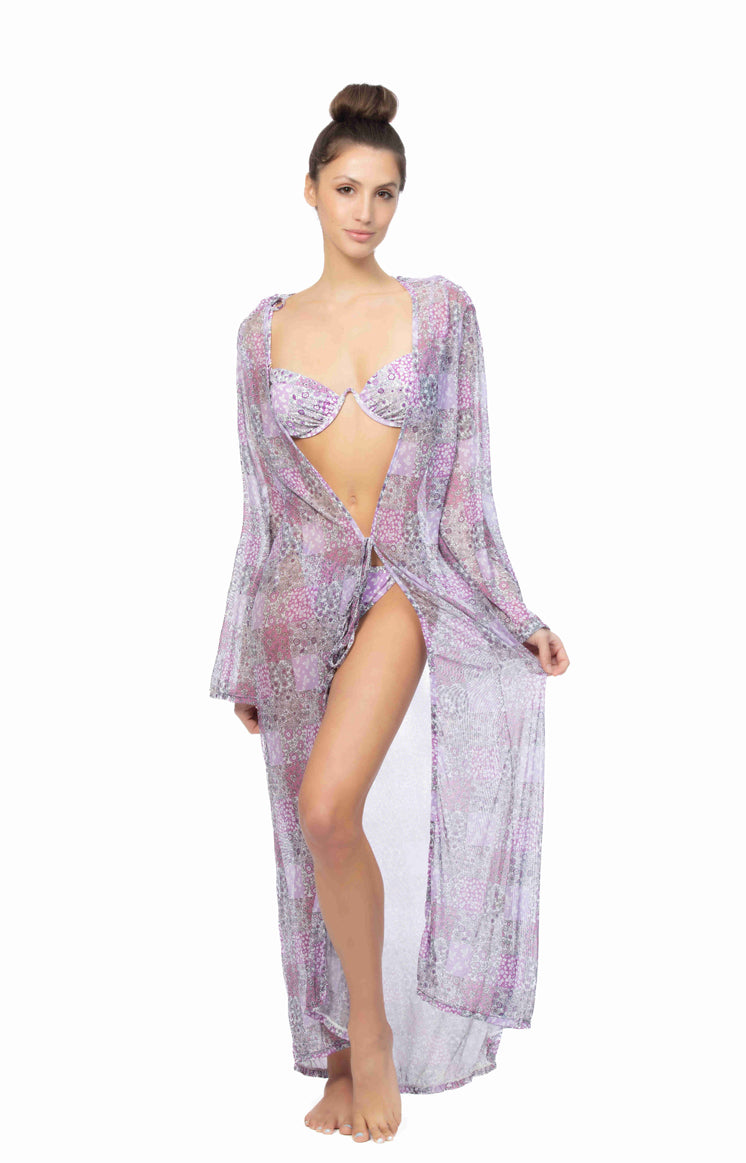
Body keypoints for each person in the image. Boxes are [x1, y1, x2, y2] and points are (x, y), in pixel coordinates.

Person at [209, 82, 569, 1145]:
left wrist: (512, 608)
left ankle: (372, 1041)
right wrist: (241, 651)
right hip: (295, 599)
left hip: (407, 579)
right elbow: (261, 503)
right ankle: (331, 1054)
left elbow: (467, 482)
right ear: (310, 191)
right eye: (347, 189)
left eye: (385, 193)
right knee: (305, 835)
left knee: (329, 807)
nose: (365, 211)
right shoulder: (261, 333)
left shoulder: (441, 312)